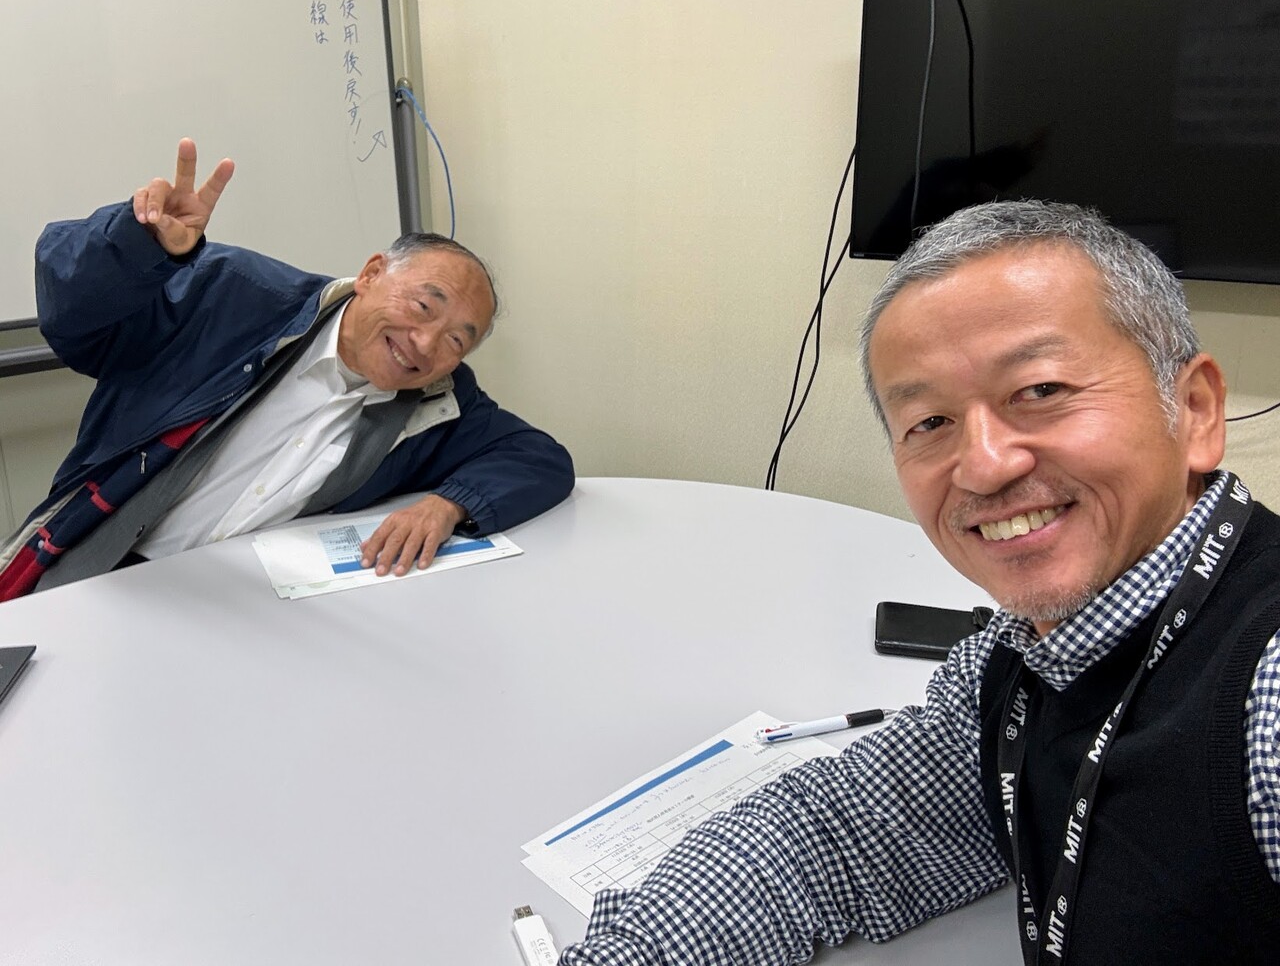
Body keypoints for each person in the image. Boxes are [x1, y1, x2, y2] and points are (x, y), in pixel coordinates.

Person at [560, 201, 1280, 964]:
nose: (984, 466)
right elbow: (831, 838)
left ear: (1195, 411)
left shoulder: (1265, 700)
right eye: (930, 423)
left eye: (1040, 389)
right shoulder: (1025, 660)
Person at [0, 139, 573, 600]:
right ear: (372, 273)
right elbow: (73, 324)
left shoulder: (439, 402)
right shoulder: (231, 293)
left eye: (456, 340)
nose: (425, 344)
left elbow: (540, 457)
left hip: (255, 610)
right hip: (101, 570)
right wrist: (137, 247)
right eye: (423, 306)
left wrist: (448, 504)